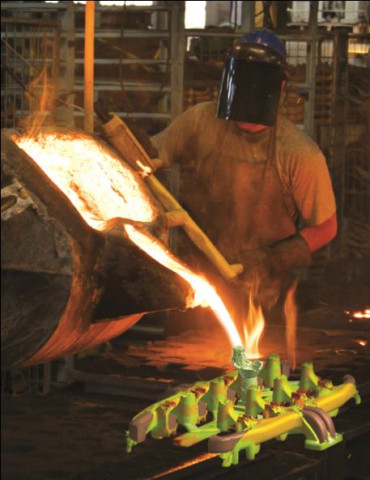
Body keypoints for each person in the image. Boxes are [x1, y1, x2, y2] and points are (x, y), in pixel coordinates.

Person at [151, 29, 337, 318]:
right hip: (198, 286)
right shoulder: (200, 121)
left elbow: (326, 227)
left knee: (256, 360)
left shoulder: (300, 153)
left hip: (265, 294)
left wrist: (272, 260)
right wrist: (123, 143)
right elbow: (151, 156)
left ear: (280, 87)